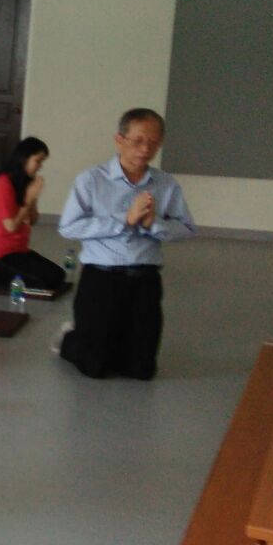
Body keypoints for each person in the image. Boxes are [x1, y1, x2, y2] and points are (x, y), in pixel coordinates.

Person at [57, 108, 195, 381]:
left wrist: (154, 224)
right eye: (138, 140)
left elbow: (187, 229)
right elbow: (68, 227)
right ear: (119, 140)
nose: (145, 149)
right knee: (94, 368)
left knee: (141, 371)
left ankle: (113, 343)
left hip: (145, 279)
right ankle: (70, 338)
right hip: (101, 278)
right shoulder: (91, 180)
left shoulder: (166, 184)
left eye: (153, 142)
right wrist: (125, 219)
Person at [0, 136, 65, 291]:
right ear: (24, 158)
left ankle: (3, 273)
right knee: (46, 282)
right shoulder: (3, 184)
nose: (40, 166)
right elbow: (10, 226)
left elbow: (33, 221)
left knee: (59, 275)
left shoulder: (23, 183)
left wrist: (33, 198)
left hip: (19, 250)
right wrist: (28, 200)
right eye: (37, 161)